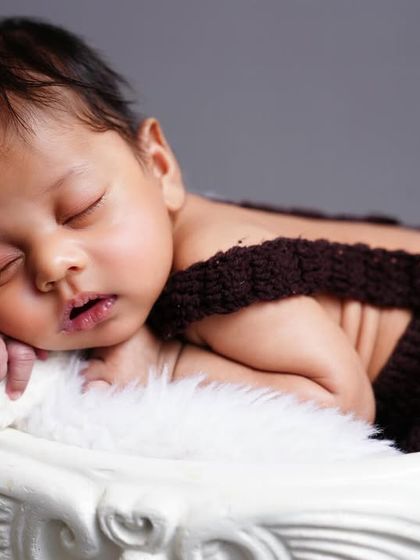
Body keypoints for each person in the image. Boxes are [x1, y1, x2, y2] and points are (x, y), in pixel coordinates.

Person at [0, 17, 419, 449]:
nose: (52, 264)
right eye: (5, 265)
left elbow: (344, 403)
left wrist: (165, 361)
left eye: (80, 210)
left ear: (160, 167)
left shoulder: (217, 265)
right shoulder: (135, 258)